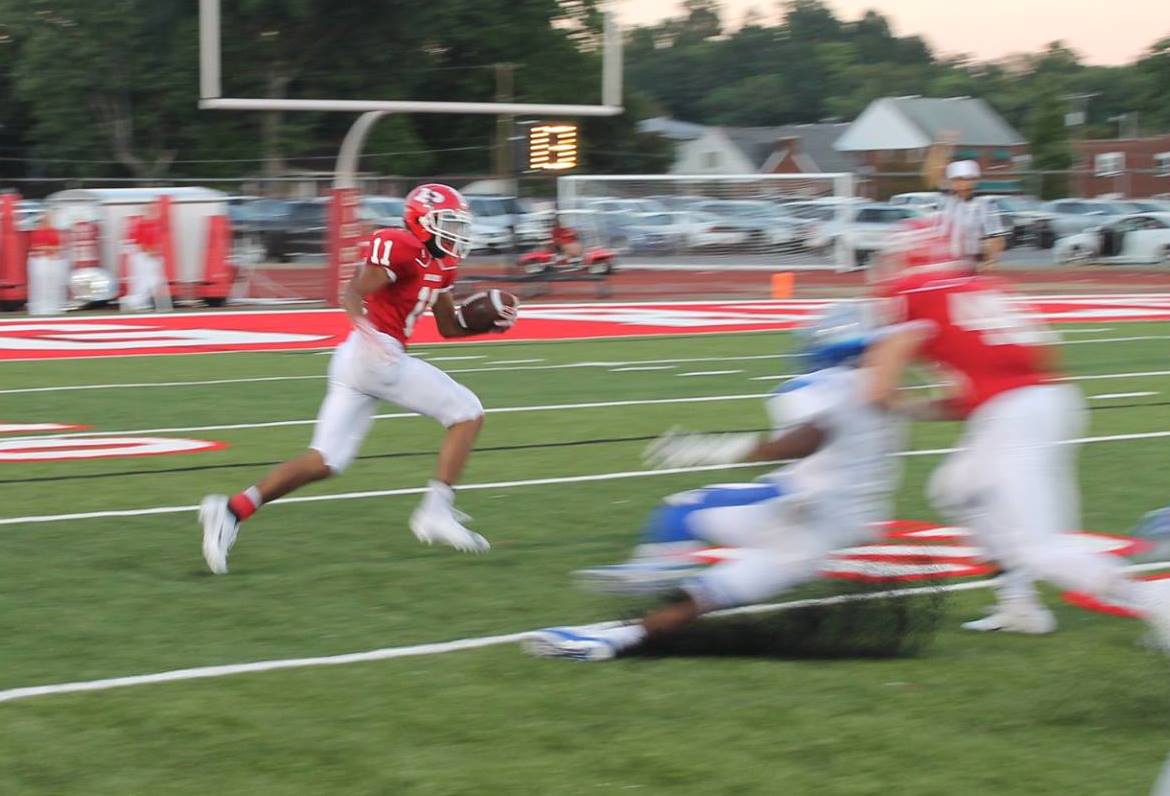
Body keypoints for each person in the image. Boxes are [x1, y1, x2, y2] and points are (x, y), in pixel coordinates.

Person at [523, 303, 905, 661]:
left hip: (798, 511)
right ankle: (614, 639)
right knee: (704, 596)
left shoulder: (829, 385)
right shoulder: (881, 393)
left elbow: (805, 441)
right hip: (835, 531)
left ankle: (654, 570)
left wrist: (715, 449)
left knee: (684, 510)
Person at [864, 221, 1170, 640]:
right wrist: (913, 406)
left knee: (1038, 546)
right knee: (955, 490)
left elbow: (877, 390)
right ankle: (1018, 604)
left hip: (1016, 413)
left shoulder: (913, 292)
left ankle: (1155, 601)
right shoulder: (976, 286)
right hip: (1043, 400)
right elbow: (983, 389)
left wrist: (877, 395)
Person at [199, 183, 516, 575]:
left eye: (458, 224)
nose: (455, 232)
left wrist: (486, 323)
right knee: (467, 412)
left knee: (325, 460)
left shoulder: (443, 264)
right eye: (447, 222)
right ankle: (435, 511)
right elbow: (353, 292)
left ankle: (231, 510)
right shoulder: (400, 245)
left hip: (361, 361)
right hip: (375, 353)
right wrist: (365, 329)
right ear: (421, 220)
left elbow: (450, 326)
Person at [123, 204, 171, 312]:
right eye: (150, 211)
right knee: (144, 281)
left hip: (151, 256)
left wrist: (156, 252)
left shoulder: (155, 224)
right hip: (143, 256)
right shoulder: (141, 225)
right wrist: (150, 252)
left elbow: (156, 240)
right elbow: (140, 242)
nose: (152, 213)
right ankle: (134, 302)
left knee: (154, 280)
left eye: (153, 211)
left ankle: (140, 302)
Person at [26, 213, 66, 315]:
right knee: (40, 286)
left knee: (52, 285)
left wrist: (50, 249)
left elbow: (58, 247)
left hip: (52, 261)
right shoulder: (37, 233)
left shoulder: (54, 232)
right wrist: (49, 249)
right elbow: (36, 247)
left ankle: (53, 308)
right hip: (40, 261)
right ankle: (39, 309)